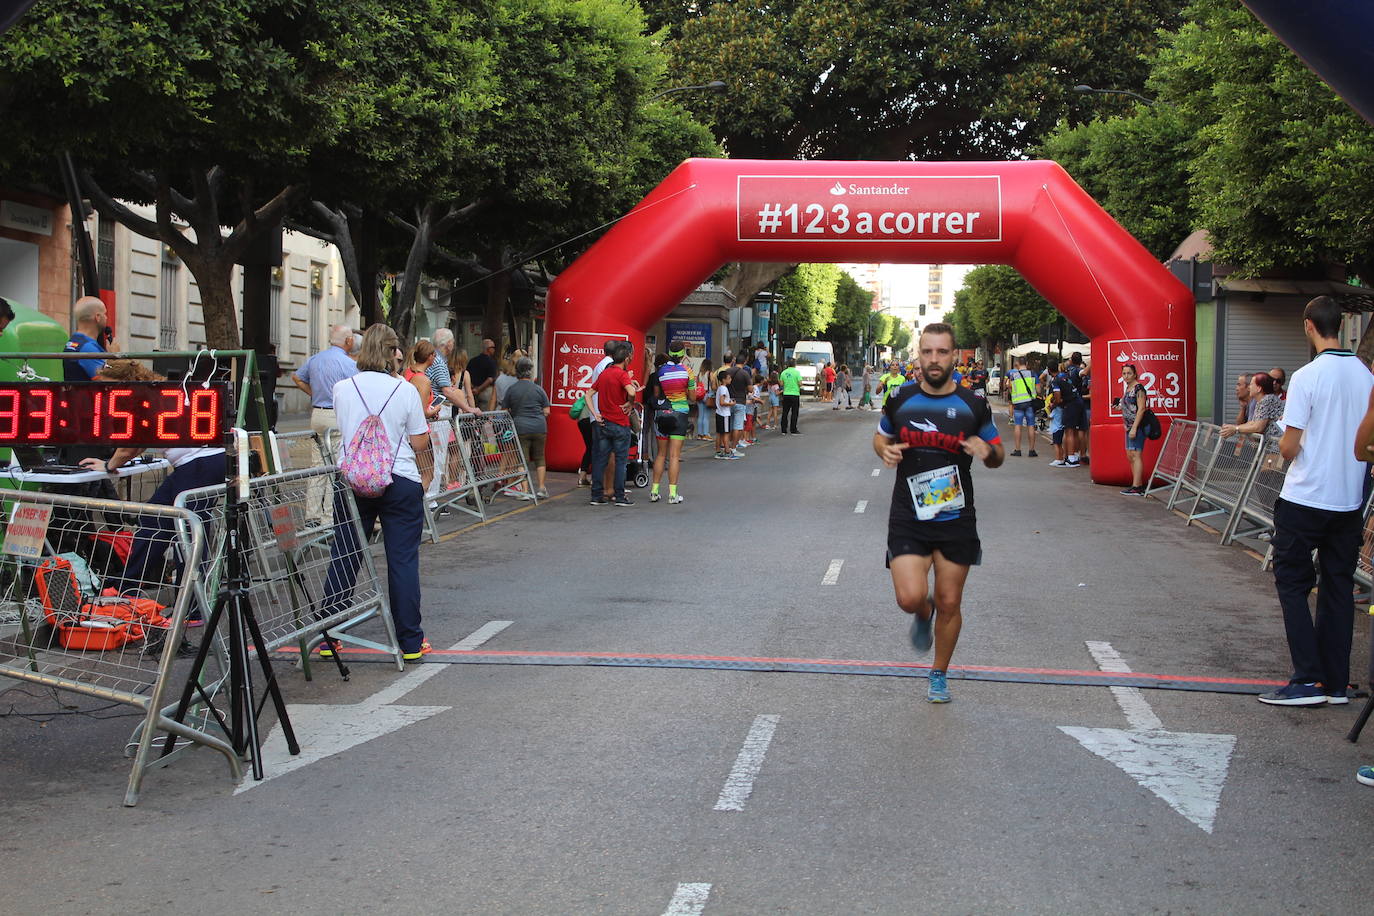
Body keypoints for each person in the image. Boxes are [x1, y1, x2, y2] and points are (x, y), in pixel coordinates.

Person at [873, 322, 1003, 704]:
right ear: (918, 354)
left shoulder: (973, 405)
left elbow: (997, 456)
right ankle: (921, 611)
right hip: (908, 514)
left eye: (942, 352)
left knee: (950, 601)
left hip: (955, 517)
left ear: (953, 355)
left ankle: (939, 673)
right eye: (927, 352)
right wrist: (883, 449)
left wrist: (987, 450)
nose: (933, 359)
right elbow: (881, 434)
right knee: (910, 597)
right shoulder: (900, 398)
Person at [1258, 296, 1373, 707]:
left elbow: (1289, 446)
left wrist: (1283, 449)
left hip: (1306, 495)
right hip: (1347, 498)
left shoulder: (1308, 376)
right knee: (1338, 586)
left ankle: (1306, 678)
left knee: (1292, 583)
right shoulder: (1365, 375)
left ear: (1309, 326)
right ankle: (1334, 683)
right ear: (1340, 325)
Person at [322, 324, 434, 663]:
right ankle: (410, 642)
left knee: (345, 553)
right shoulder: (403, 390)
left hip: (352, 477)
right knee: (402, 559)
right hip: (398, 477)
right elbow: (419, 441)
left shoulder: (342, 388)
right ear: (392, 352)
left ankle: (329, 635)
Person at [293, 325, 358, 520]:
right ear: (347, 341)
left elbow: (296, 377)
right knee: (335, 466)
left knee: (317, 466)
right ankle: (329, 516)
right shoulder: (349, 364)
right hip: (336, 416)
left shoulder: (315, 359)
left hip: (317, 414)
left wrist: (314, 394)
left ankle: (311, 516)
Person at [587, 341, 639, 506]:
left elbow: (588, 394)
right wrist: (630, 403)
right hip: (620, 423)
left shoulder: (604, 374)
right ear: (625, 359)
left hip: (603, 422)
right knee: (621, 461)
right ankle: (620, 496)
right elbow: (631, 391)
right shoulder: (621, 374)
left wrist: (595, 414)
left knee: (600, 460)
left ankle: (596, 495)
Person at [648, 341, 697, 504]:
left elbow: (657, 394)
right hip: (679, 414)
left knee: (660, 454)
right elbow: (692, 397)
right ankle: (672, 494)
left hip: (661, 414)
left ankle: (654, 491)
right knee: (674, 455)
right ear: (683, 354)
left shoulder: (661, 371)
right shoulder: (687, 371)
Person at [501, 356, 551, 499]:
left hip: (520, 428)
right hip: (539, 427)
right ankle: (541, 488)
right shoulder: (538, 389)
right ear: (530, 371)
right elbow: (547, 411)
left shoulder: (512, 390)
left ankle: (524, 490)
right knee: (540, 458)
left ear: (517, 371)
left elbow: (504, 411)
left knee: (521, 459)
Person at [1220, 373, 1284, 446]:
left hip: (1278, 445)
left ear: (1259, 388)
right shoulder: (1261, 401)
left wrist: (1236, 429)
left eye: (1251, 384)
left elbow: (1258, 427)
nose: (1249, 387)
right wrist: (1232, 428)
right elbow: (1252, 423)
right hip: (1273, 445)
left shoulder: (1267, 400)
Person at [1118, 363, 1149, 495]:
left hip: (1138, 426)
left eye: (1129, 373)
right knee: (1130, 455)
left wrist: (1134, 428)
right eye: (1124, 373)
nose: (1126, 376)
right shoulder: (1128, 388)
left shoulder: (1138, 388)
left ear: (1135, 374)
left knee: (1136, 455)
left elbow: (1141, 409)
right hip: (1129, 426)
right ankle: (1136, 483)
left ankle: (1137, 486)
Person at [64, 296, 109, 381]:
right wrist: (115, 357)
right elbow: (107, 382)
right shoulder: (88, 348)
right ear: (98, 317)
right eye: (105, 314)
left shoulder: (73, 342)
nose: (106, 318)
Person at [1050, 359, 1085, 468]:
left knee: (1069, 431)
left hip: (1071, 405)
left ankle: (1070, 458)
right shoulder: (1065, 376)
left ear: (1049, 370)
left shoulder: (1056, 381)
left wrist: (1054, 404)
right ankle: (1074, 455)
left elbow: (1058, 397)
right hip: (1079, 402)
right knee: (1075, 431)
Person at [1005, 356, 1039, 457]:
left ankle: (1017, 449)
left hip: (1018, 404)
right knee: (1031, 425)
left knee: (1018, 425)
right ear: (1027, 363)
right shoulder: (1033, 374)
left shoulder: (1013, 375)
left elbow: (1009, 387)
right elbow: (1038, 389)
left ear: (1017, 364)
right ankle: (1032, 450)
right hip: (1030, 403)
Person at [728, 352, 751, 454]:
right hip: (740, 401)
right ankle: (733, 448)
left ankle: (727, 446)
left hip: (728, 402)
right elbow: (750, 389)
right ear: (744, 362)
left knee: (729, 425)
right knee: (738, 426)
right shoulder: (745, 373)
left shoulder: (728, 371)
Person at [467, 337, 499, 411]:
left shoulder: (473, 361)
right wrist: (479, 389)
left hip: (472, 392)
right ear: (488, 349)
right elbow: (490, 379)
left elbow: (467, 375)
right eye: (493, 347)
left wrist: (473, 388)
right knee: (485, 414)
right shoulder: (491, 362)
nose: (494, 349)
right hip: (486, 391)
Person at [713, 369, 737, 458]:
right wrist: (731, 403)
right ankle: (727, 451)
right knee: (726, 433)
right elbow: (722, 402)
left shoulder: (720, 388)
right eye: (729, 378)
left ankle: (718, 451)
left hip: (719, 413)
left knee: (719, 433)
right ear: (724, 379)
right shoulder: (724, 388)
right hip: (724, 414)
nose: (730, 379)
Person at [778, 358, 802, 435]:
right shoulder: (797, 372)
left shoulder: (783, 373)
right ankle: (793, 429)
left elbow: (781, 384)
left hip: (786, 394)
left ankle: (783, 430)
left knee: (785, 412)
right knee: (794, 412)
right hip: (795, 394)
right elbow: (800, 383)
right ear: (795, 364)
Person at [694, 359, 714, 439]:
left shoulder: (699, 374)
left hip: (699, 395)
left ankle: (700, 434)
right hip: (707, 395)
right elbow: (713, 384)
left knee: (700, 415)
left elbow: (697, 384)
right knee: (706, 415)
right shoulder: (710, 374)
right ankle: (705, 434)